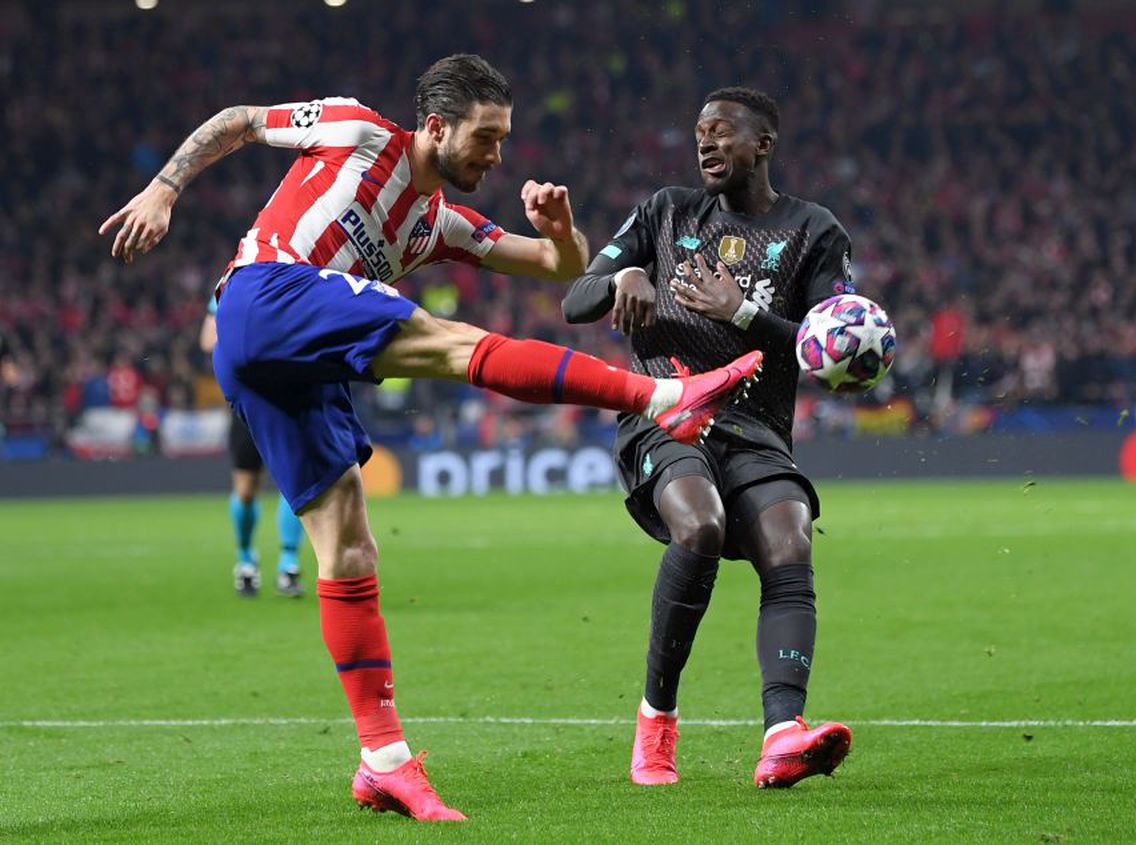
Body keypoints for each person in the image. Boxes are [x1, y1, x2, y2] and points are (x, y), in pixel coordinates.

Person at [99, 55, 761, 822]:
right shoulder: (353, 129)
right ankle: (664, 396)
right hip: (266, 295)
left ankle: (382, 760)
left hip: (294, 369)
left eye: (504, 141)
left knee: (348, 548)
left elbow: (558, 269)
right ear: (438, 126)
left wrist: (562, 233)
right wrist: (164, 187)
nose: (497, 156)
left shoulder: (435, 222)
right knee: (453, 343)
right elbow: (242, 120)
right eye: (486, 138)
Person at [562, 87, 853, 790]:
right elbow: (576, 297)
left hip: (755, 427)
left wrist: (746, 311)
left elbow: (824, 352)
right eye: (699, 132)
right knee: (699, 524)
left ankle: (783, 732)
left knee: (791, 537)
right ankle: (656, 716)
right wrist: (624, 275)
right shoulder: (665, 211)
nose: (706, 142)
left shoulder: (814, 232)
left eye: (722, 131)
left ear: (763, 143)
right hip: (666, 411)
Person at [200, 301, 306, 598]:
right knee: (246, 490)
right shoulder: (231, 285)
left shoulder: (293, 277)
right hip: (248, 403)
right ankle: (246, 560)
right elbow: (208, 339)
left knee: (293, 485)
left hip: (289, 401)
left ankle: (289, 562)